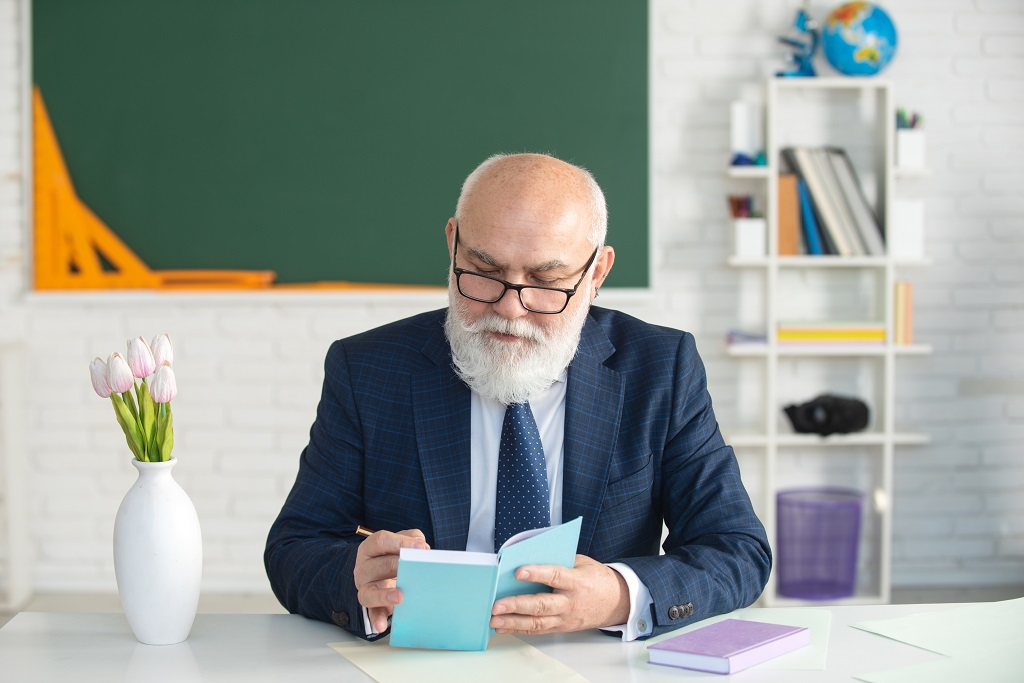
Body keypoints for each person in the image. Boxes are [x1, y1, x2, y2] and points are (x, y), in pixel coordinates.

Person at [265, 153, 770, 642]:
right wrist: (356, 577)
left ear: (595, 274)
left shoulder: (661, 367)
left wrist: (618, 594)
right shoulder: (368, 368)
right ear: (452, 244)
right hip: (421, 659)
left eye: (547, 282)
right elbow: (295, 547)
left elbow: (737, 550)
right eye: (483, 272)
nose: (509, 308)